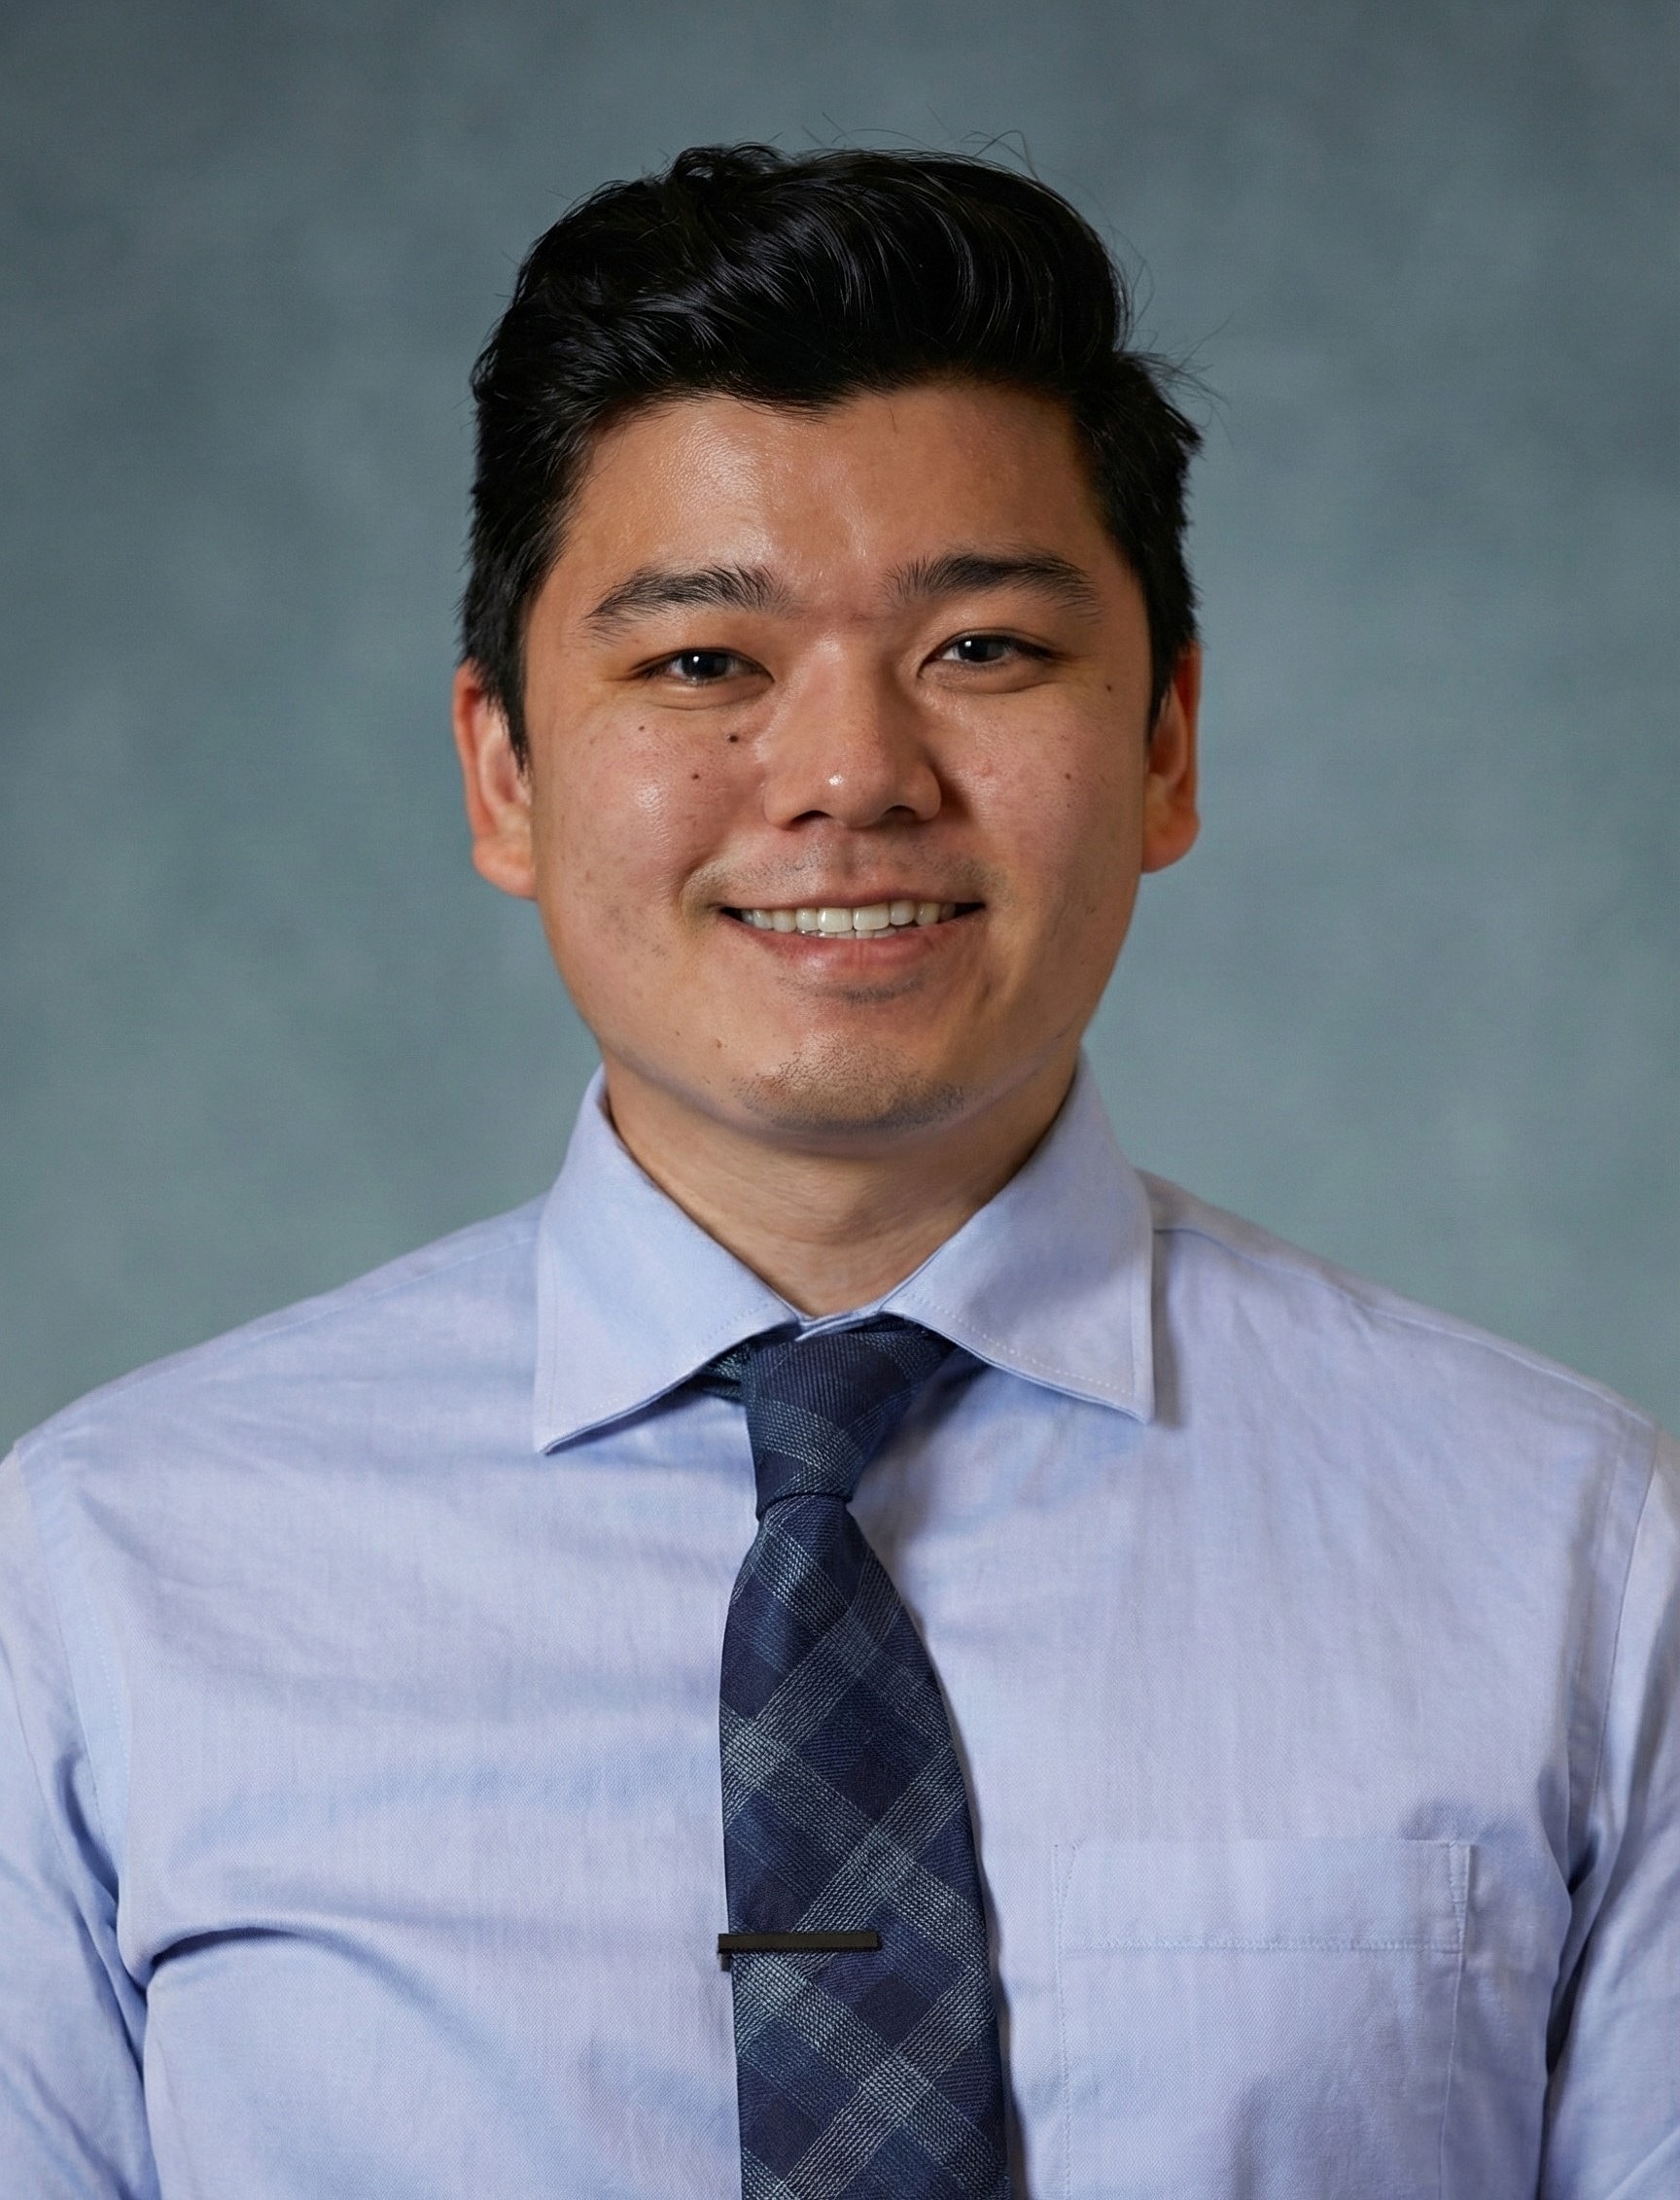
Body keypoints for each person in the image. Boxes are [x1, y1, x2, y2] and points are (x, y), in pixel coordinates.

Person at [1, 144, 1673, 2200]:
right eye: (703, 662)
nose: (854, 776)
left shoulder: (1575, 1557)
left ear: (1166, 745)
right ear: (503, 771)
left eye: (985, 649)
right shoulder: (103, 1580)